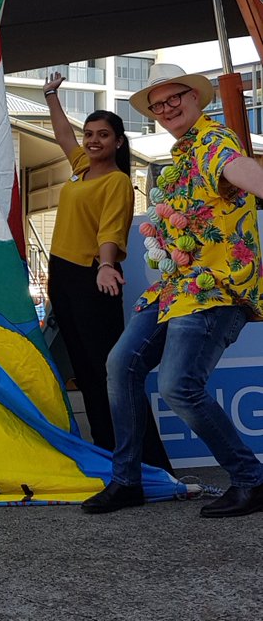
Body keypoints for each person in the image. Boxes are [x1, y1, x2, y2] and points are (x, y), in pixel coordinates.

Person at [82, 62, 263, 517]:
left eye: (173, 98)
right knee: (121, 364)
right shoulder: (180, 156)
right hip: (176, 287)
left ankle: (251, 480)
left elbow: (238, 168)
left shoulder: (213, 141)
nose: (166, 109)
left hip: (214, 288)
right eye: (157, 105)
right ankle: (127, 481)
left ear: (195, 98)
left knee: (178, 385)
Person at [42, 73, 171, 471]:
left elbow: (110, 229)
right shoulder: (81, 168)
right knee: (84, 372)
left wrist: (108, 265)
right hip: (63, 276)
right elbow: (63, 135)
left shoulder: (116, 182)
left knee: (110, 372)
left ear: (118, 142)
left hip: (93, 276)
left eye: (103, 135)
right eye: (89, 134)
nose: (93, 140)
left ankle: (149, 462)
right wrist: (51, 96)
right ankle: (108, 454)